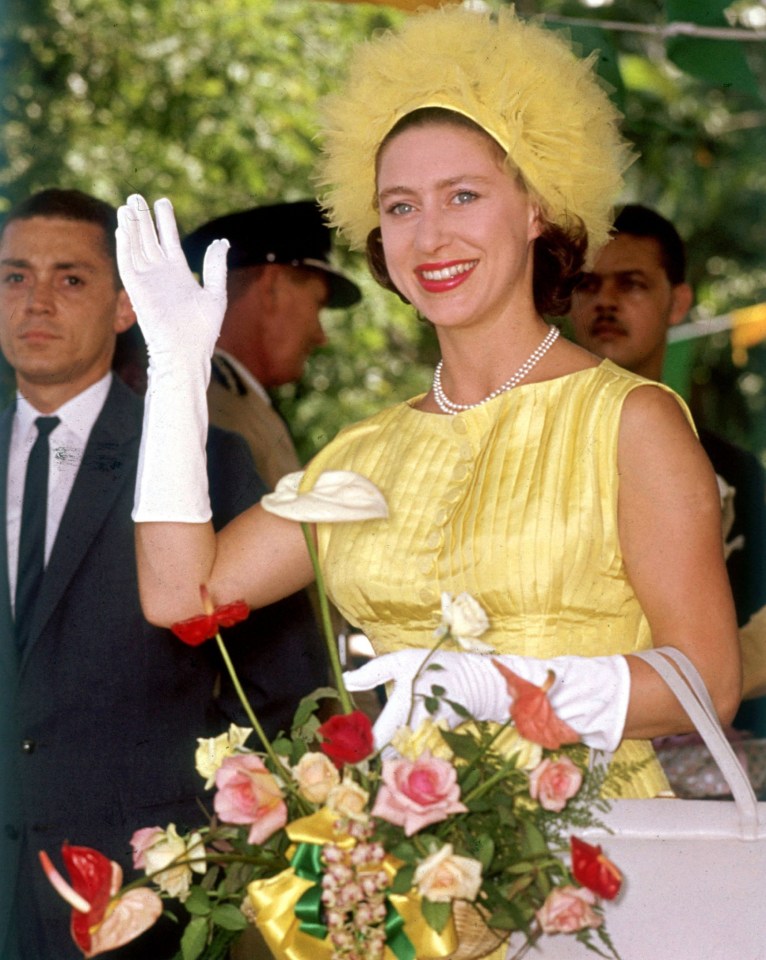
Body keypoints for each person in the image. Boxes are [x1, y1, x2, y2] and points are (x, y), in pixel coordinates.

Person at [115, 5, 740, 817]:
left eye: (464, 195)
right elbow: (179, 594)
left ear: (536, 208)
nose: (430, 236)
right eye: (402, 206)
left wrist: (504, 683)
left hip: (597, 873)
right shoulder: (366, 453)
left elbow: (711, 683)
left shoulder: (630, 420)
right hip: (409, 876)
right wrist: (174, 375)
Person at [0, 188, 326, 960]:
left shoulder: (204, 463)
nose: (37, 300)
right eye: (14, 276)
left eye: (71, 278)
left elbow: (286, 695)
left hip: (143, 902)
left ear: (124, 307)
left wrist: (219, 866)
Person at [569, 204, 766, 733]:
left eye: (631, 284)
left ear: (678, 301)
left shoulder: (731, 468)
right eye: (587, 284)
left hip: (707, 745)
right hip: (551, 739)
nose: (605, 301)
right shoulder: (532, 444)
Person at [182, 201, 361, 489]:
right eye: (317, 305)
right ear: (271, 289)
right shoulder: (211, 410)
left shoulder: (224, 399)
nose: (321, 336)